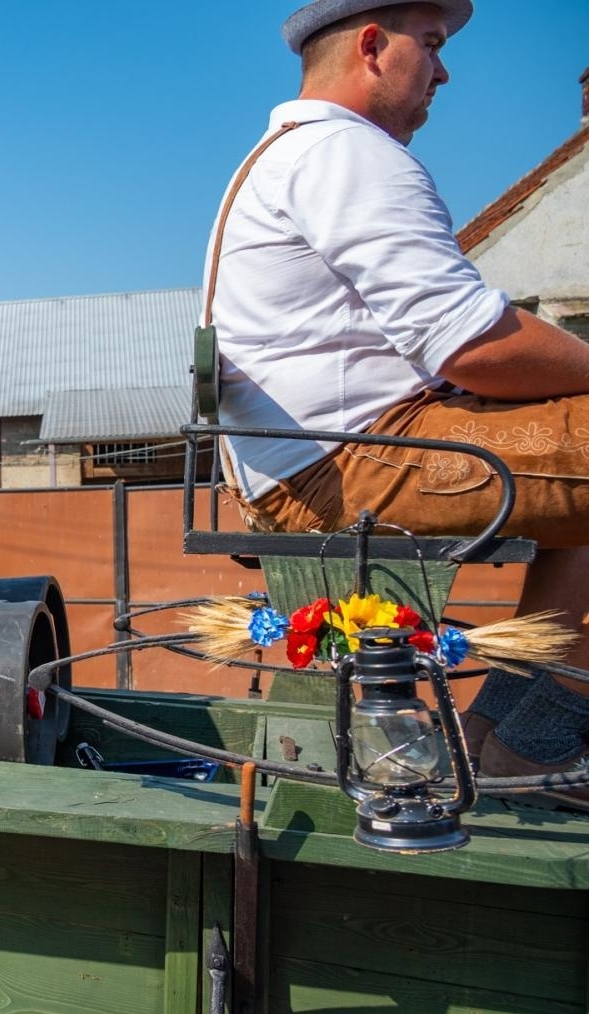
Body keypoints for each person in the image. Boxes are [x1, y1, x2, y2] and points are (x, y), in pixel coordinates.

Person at [206, 0, 589, 786]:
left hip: (333, 454)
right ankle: (541, 744)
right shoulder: (345, 154)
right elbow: (470, 342)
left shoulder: (295, 155)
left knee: (574, 518)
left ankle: (504, 740)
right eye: (434, 43)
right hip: (357, 462)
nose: (444, 70)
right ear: (374, 47)